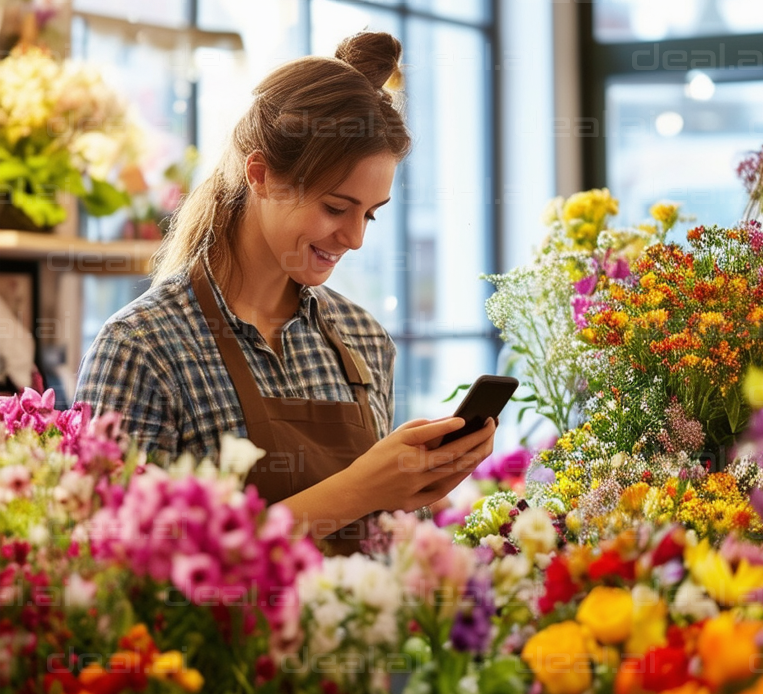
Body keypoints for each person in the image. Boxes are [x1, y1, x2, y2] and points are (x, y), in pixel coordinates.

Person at [76, 31, 496, 551]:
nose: (355, 238)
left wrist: (413, 488)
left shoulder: (364, 340)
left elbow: (379, 549)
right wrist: (360, 488)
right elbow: (118, 561)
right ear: (261, 174)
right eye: (336, 208)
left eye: (369, 214)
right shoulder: (141, 349)